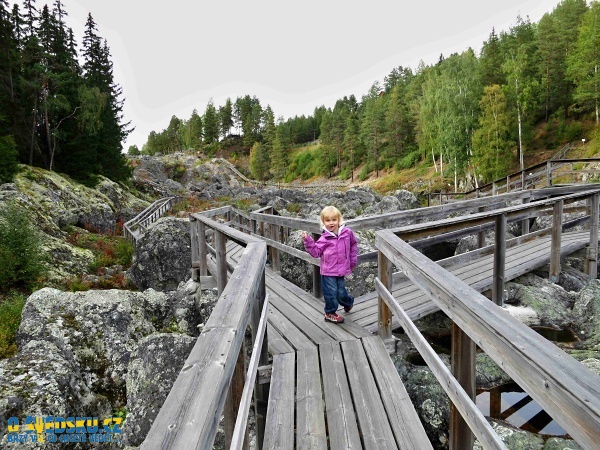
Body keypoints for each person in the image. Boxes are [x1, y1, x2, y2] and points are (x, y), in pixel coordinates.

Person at [302, 205, 358, 324]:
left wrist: (352, 260)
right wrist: (308, 241)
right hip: (328, 271)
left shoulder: (347, 233)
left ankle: (348, 302)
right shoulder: (324, 238)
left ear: (339, 220)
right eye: (327, 220)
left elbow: (353, 245)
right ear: (323, 222)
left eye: (334, 220)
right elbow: (316, 252)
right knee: (331, 293)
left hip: (342, 269)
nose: (331, 223)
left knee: (341, 292)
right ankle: (330, 313)